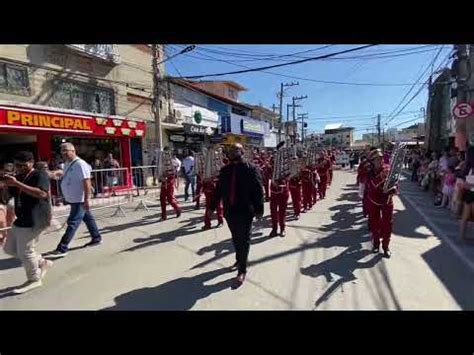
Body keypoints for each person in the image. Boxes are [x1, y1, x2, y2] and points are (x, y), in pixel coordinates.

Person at [210, 143, 264, 288]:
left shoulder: (250, 169)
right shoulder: (225, 170)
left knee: (244, 239)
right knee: (235, 238)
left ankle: (242, 269)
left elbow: (258, 190)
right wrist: (211, 208)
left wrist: (259, 209)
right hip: (230, 211)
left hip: (245, 211)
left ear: (242, 151)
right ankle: (239, 259)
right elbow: (218, 191)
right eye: (231, 150)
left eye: (236, 149)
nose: (232, 152)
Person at [1, 151, 53, 294]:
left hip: (37, 218)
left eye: (22, 165)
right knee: (9, 249)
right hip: (22, 217)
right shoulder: (17, 176)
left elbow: (42, 194)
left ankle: (34, 279)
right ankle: (42, 262)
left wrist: (17, 183)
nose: (19, 168)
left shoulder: (39, 175)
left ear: (31, 162)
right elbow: (6, 198)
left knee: (25, 251)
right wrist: (6, 185)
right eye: (17, 165)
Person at [49, 143, 102, 257]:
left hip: (80, 199)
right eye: (62, 151)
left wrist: (87, 198)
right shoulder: (68, 163)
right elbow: (62, 172)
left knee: (73, 222)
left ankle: (62, 248)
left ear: (73, 151)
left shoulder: (80, 164)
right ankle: (96, 238)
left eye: (66, 151)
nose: (63, 153)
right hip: (74, 199)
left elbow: (86, 182)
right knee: (88, 218)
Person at [366, 149, 397, 258]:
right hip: (374, 200)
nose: (380, 161)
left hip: (387, 200)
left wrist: (394, 188)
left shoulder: (388, 169)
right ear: (372, 161)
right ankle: (376, 244)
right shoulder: (369, 171)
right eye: (377, 159)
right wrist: (382, 177)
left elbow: (395, 182)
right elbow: (372, 184)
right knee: (375, 223)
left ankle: (385, 246)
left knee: (388, 224)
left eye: (381, 158)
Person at [460, 146, 474, 242]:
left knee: (464, 217)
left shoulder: (467, 168)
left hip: (468, 194)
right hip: (471, 192)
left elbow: (464, 183)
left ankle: (462, 236)